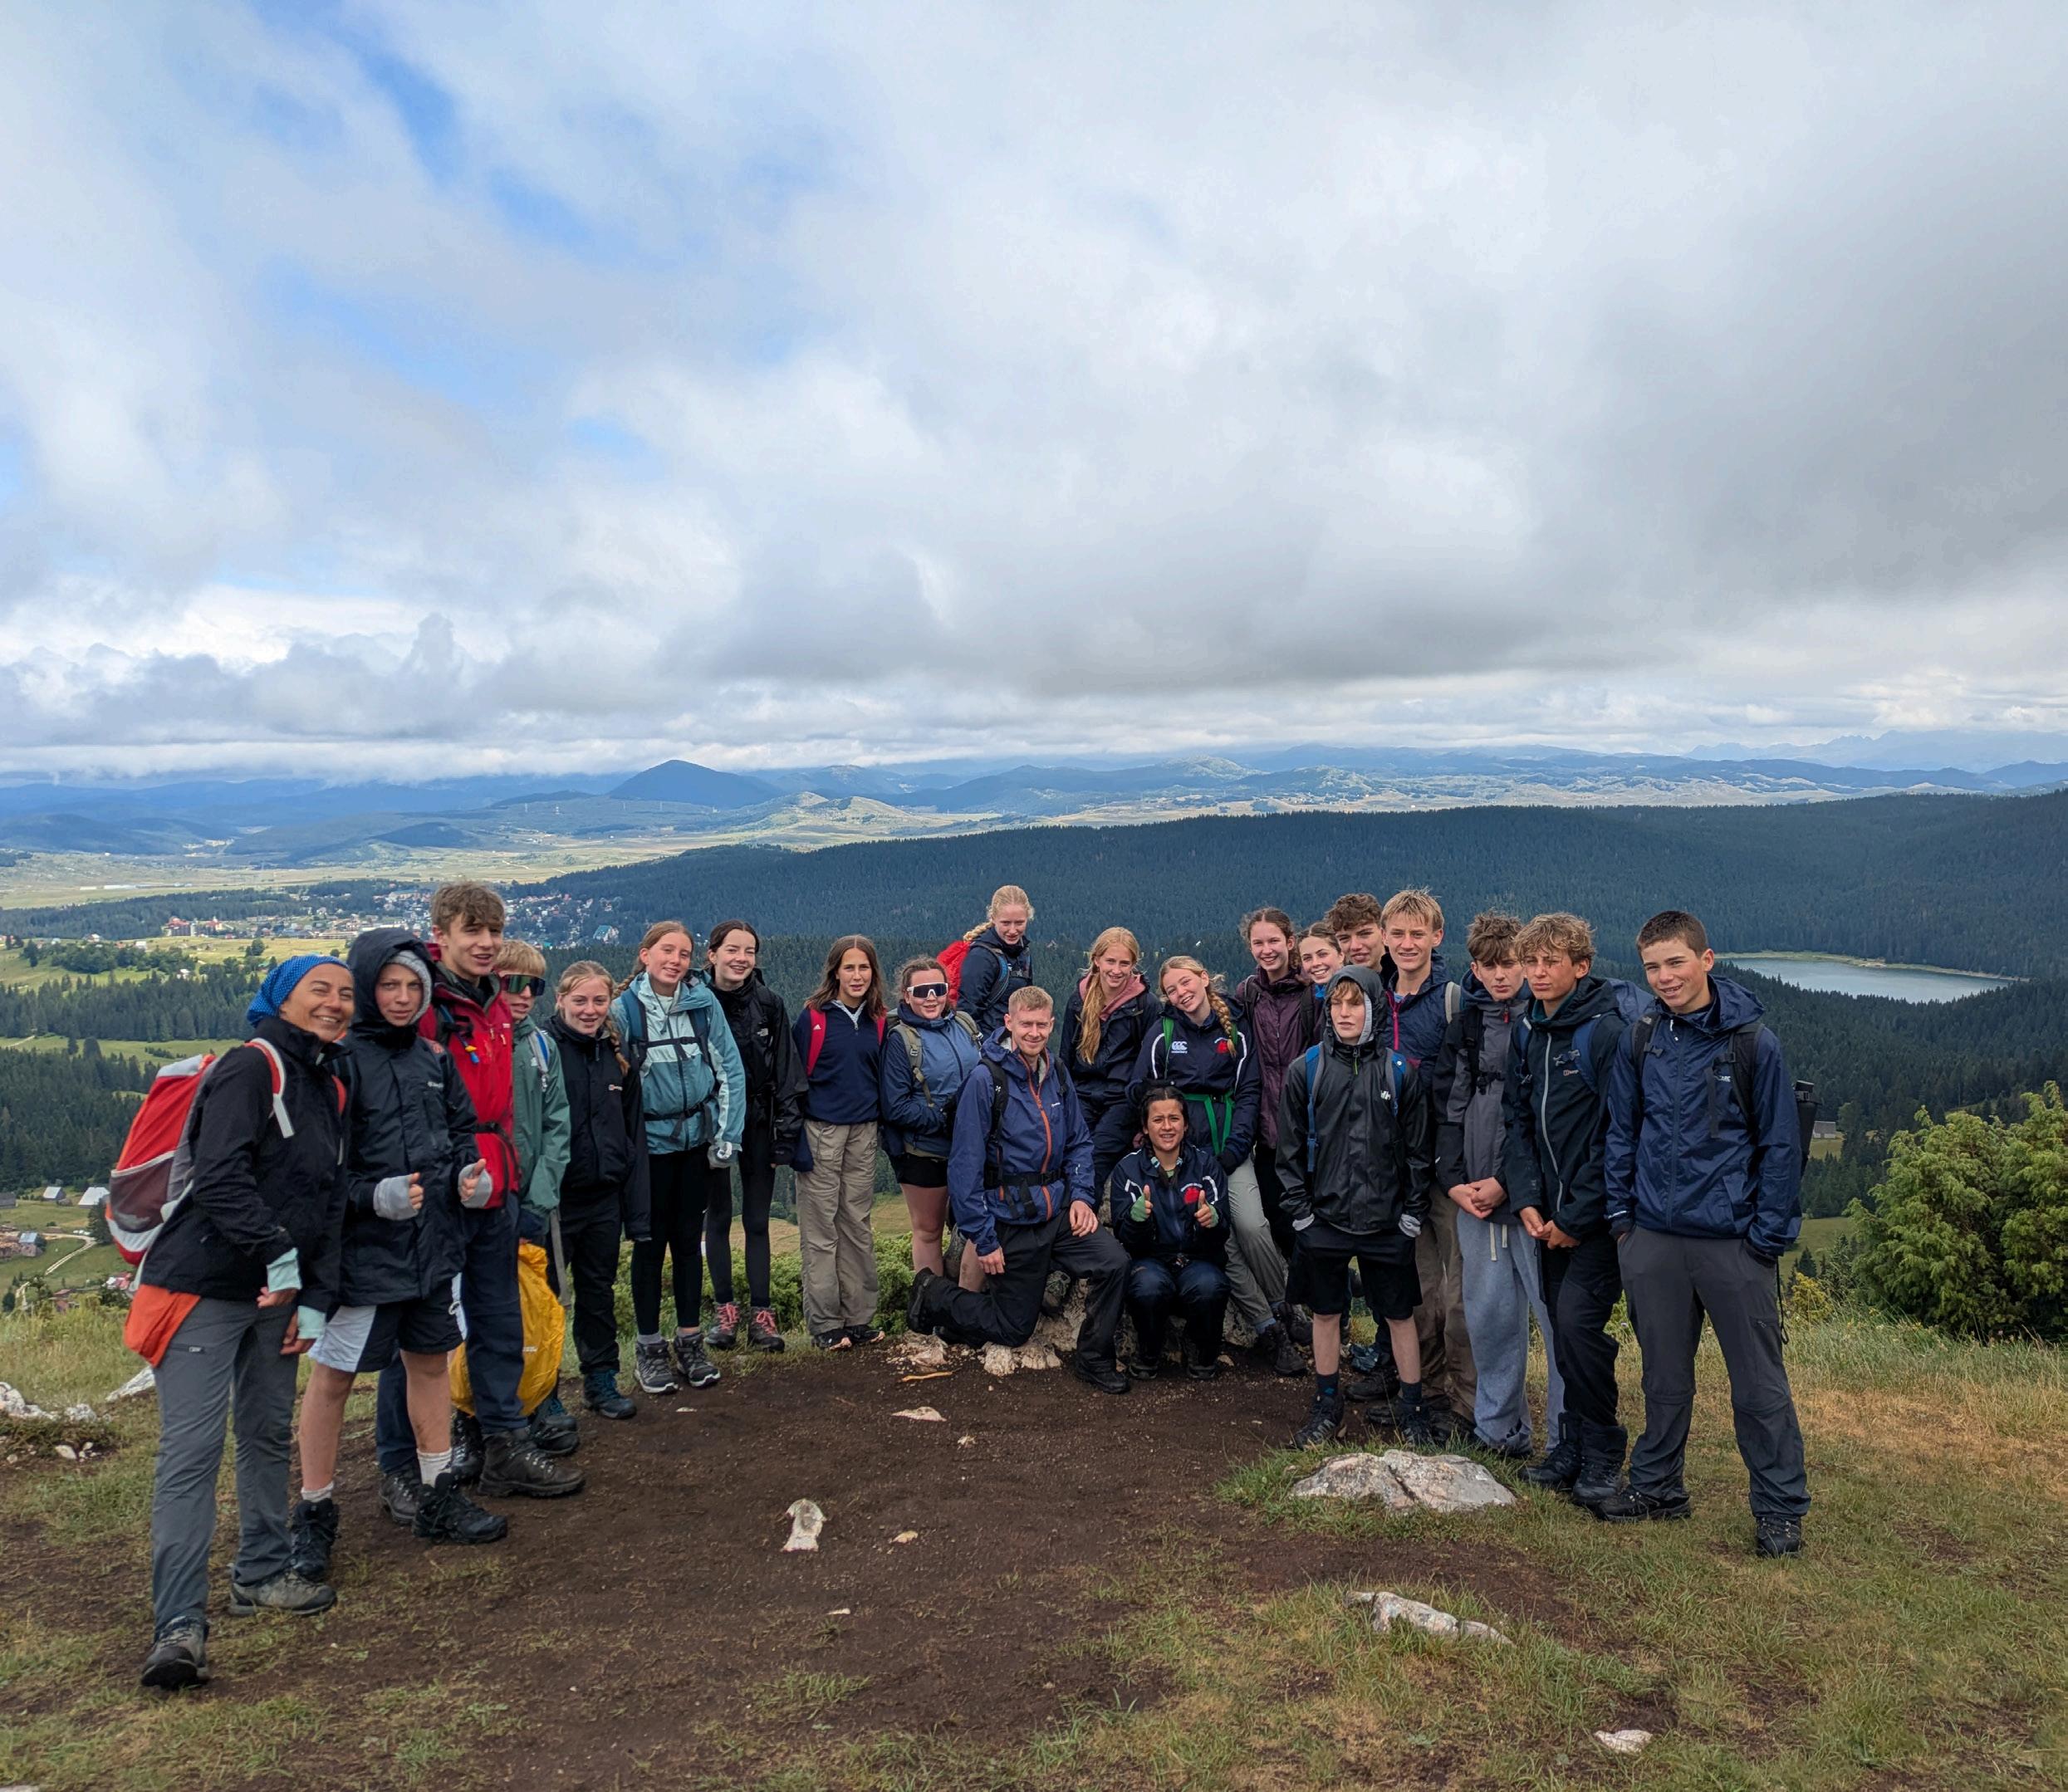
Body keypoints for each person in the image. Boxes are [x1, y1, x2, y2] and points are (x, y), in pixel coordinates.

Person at [137, 956, 355, 1692]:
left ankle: (260, 1572)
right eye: (319, 990)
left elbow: (330, 1198)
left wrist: (315, 1292)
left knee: (265, 1432)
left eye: (345, 994)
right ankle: (178, 1625)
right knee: (192, 1452)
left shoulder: (329, 1083)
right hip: (200, 1286)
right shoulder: (249, 1068)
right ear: (281, 1000)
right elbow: (221, 1176)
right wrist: (279, 1256)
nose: (335, 1003)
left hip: (277, 1296)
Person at [292, 932, 504, 1596]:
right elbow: (316, 1166)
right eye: (389, 985)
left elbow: (461, 1134)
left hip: (432, 1245)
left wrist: (471, 1178)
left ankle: (438, 1493)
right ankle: (314, 1513)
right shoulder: (339, 1064)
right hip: (362, 1255)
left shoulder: (432, 1059)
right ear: (366, 988)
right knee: (333, 1379)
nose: (404, 998)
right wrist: (370, 1197)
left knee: (431, 1363)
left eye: (414, 986)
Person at [1602, 910, 1811, 1556]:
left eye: (1676, 962)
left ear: (1706, 959)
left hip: (1733, 1242)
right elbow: (1621, 1133)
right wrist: (1623, 1223)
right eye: (1652, 967)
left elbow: (1780, 1147)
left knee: (1759, 1386)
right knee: (1663, 1378)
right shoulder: (1642, 1038)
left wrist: (1766, 1239)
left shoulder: (1753, 1044)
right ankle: (1658, 1487)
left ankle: (1779, 1510)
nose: (1665, 977)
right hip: (1653, 1238)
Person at [374, 882, 581, 1508]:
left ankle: (504, 1446)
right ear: (440, 935)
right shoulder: (426, 1003)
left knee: (497, 1319)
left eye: (494, 931)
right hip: (436, 1187)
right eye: (473, 931)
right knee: (420, 1332)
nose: (487, 943)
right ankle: (402, 1465)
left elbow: (501, 1103)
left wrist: (508, 1175)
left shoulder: (491, 1003)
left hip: (495, 1179)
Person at [907, 986, 1132, 1393]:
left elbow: (1079, 1142)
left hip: (1057, 1212)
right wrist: (984, 1239)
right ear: (1008, 1022)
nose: (1034, 1032)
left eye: (1041, 1025)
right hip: (1011, 1217)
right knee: (1012, 1328)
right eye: (1026, 1024)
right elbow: (965, 1167)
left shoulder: (1057, 1072)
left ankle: (1093, 1359)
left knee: (1113, 1263)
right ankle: (933, 1293)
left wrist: (1082, 1197)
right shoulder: (986, 1080)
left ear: (1051, 1025)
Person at [1502, 912, 1632, 1511]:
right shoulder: (1529, 1031)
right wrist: (1527, 1199)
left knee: (1580, 1328)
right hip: (1547, 1216)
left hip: (1597, 1220)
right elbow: (1518, 1122)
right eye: (1531, 961)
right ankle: (1572, 1448)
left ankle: (1603, 1451)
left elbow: (1616, 1134)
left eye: (1551, 961)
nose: (1538, 972)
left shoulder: (1605, 1035)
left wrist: (1576, 1217)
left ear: (1581, 967)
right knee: (1562, 1330)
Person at [1276, 964, 1436, 1447]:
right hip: (1323, 1217)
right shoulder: (1306, 1070)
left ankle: (1412, 1410)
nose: (1344, 1013)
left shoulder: (1400, 1073)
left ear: (1373, 1009)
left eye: (1355, 1004)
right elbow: (1288, 1151)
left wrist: (1412, 1216)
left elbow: (1418, 1151)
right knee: (1326, 1313)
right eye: (1336, 1004)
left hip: (1386, 1220)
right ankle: (1327, 1405)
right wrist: (1301, 1214)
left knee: (1399, 1315)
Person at [1128, 956, 1302, 1377]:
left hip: (1228, 1150)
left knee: (1252, 1225)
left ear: (1204, 979)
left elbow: (1249, 1091)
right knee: (1221, 1241)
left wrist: (1235, 1148)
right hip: (1183, 1158)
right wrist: (1165, 1124)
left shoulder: (1235, 1028)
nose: (1181, 993)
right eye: (1171, 990)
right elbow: (1139, 1086)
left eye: (1186, 982)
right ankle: (1267, 1327)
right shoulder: (1164, 1032)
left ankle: (1286, 1306)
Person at [1433, 912, 1561, 1459]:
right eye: (1489, 966)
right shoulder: (1466, 1024)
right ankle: (1499, 1430)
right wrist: (1455, 1182)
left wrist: (1509, 1183)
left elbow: (1543, 1117)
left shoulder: (1546, 1021)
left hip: (1535, 1201)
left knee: (1556, 1322)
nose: (1501, 975)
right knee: (1489, 1320)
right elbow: (1447, 1107)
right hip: (1475, 1199)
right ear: (1476, 968)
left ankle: (1565, 1438)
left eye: (1510, 964)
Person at [610, 921, 747, 1397]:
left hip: (695, 1145)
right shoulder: (624, 1011)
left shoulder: (703, 1004)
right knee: (649, 1247)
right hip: (648, 1150)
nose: (675, 960)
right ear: (645, 955)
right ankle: (649, 1349)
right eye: (666, 951)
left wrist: (727, 1137)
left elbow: (730, 1069)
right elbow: (614, 1085)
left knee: (688, 1244)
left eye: (684, 954)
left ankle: (689, 1341)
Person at [1379, 889, 1471, 1437]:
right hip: (1395, 1173)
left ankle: (1467, 1406)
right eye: (1398, 933)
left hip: (1448, 1172)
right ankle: (1427, 1394)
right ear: (1384, 938)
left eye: (1419, 934)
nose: (1408, 943)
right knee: (1417, 1295)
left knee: (1460, 1299)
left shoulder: (1454, 1001)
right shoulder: (1372, 999)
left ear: (1437, 937)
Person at [551, 962, 653, 1420]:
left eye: (598, 1000)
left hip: (604, 1196)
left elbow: (633, 1133)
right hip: (555, 1201)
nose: (589, 1010)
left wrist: (636, 1210)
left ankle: (600, 1380)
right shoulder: (545, 1050)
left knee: (598, 1293)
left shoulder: (617, 1054)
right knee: (547, 1301)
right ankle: (543, 1394)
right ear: (560, 1001)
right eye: (580, 1000)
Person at [701, 919, 806, 1351]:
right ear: (712, 955)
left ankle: (762, 1316)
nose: (741, 958)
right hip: (711, 1123)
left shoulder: (769, 1003)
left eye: (749, 951)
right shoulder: (696, 1001)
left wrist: (786, 1133)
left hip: (760, 1121)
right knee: (718, 1217)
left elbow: (786, 1070)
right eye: (732, 950)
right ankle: (725, 1313)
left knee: (757, 1221)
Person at [497, 940, 576, 1451]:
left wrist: (539, 1200)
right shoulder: (473, 1044)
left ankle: (542, 1396)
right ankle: (484, 1413)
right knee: (486, 1313)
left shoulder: (541, 1049)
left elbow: (556, 1129)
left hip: (533, 1203)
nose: (525, 994)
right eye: (513, 983)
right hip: (483, 1202)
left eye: (534, 985)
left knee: (540, 1303)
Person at [791, 935, 889, 1350]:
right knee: (820, 1229)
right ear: (835, 971)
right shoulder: (813, 1018)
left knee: (856, 1225)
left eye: (864, 967)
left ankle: (859, 1318)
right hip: (821, 1131)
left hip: (864, 1132)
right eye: (849, 967)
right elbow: (794, 1080)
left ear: (873, 972)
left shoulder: (878, 1019)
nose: (857, 975)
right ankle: (826, 1323)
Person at [1112, 1084, 1231, 1380]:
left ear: (1186, 1124)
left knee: (1211, 1285)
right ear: (1145, 1127)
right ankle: (1149, 1351)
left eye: (1174, 1118)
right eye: (1158, 1119)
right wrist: (1137, 1221)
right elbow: (1125, 1237)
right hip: (1150, 1261)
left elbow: (1223, 1232)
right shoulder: (1127, 1170)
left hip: (1198, 1260)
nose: (1167, 1127)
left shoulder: (1206, 1166)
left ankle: (1202, 1352)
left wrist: (1213, 1221)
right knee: (1147, 1286)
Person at [880, 956, 983, 1276]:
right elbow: (895, 1106)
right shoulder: (901, 1039)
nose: (931, 998)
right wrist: (946, 1121)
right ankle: (931, 1301)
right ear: (906, 995)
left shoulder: (964, 1024)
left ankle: (961, 1298)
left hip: (970, 1147)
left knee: (978, 1223)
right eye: (921, 991)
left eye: (938, 989)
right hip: (925, 1153)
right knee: (928, 1232)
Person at [1234, 906, 1319, 1265]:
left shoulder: (1311, 992)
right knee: (1277, 1219)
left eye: (1274, 941)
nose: (1266, 950)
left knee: (1318, 1222)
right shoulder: (1248, 993)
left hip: (1311, 1129)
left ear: (1291, 941)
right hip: (1268, 1133)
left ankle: (1334, 1297)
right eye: (1258, 943)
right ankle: (1319, 1288)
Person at [1059, 927, 1161, 1209]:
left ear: (1134, 964)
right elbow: (1065, 1056)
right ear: (1096, 960)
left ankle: (1081, 1223)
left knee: (1095, 1156)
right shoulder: (1079, 1000)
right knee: (1069, 1154)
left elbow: (1152, 1065)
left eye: (1124, 963)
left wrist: (1144, 1116)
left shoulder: (1145, 1005)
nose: (1116, 970)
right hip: (1082, 1094)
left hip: (1122, 1098)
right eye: (1110, 962)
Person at [953, 884, 1036, 1036]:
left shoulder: (1023, 952)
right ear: (993, 919)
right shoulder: (981, 957)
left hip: (1015, 1041)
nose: (1013, 930)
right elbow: (967, 1013)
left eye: (1019, 923)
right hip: (988, 1044)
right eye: (1006, 923)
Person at [1321, 891, 1392, 982]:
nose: (1355, 946)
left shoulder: (1406, 978)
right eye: (1344, 938)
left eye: (1364, 934)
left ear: (1383, 933)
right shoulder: (1339, 985)